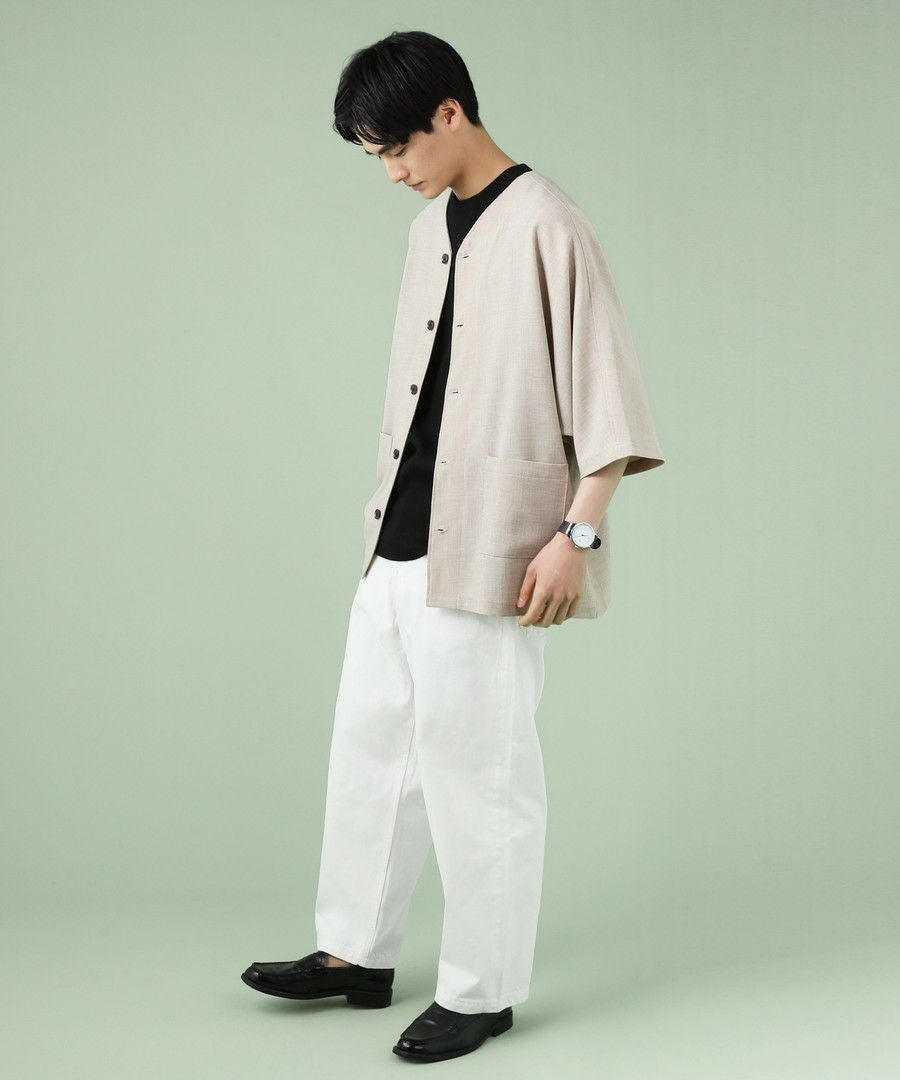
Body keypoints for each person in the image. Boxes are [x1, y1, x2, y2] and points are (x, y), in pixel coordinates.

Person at [241, 29, 665, 1063]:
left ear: (450, 112)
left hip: (496, 548)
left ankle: (482, 991)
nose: (391, 171)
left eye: (396, 147)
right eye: (374, 155)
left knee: (483, 772)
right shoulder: (429, 229)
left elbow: (609, 400)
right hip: (398, 534)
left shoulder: (550, 223)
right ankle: (355, 953)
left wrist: (576, 533)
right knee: (372, 754)